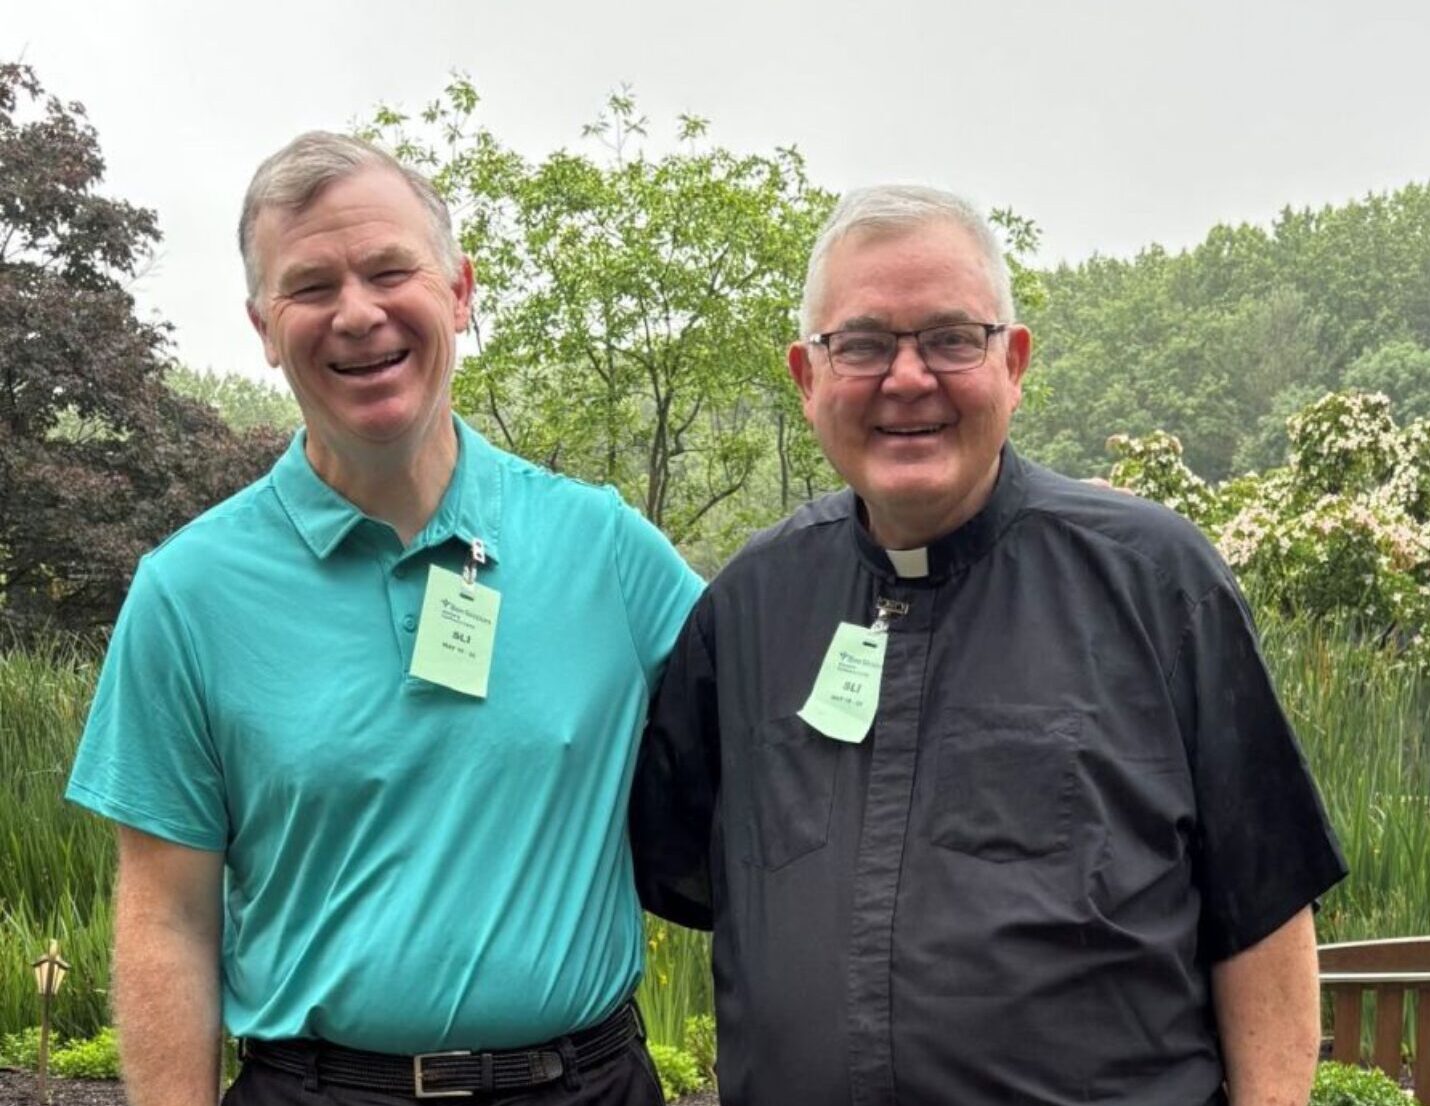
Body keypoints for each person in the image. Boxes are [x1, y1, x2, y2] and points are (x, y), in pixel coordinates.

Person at [632, 184, 1348, 1106]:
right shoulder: (747, 610)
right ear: (807, 379)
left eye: (949, 338)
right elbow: (679, 863)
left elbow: (1265, 906)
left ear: (1012, 362)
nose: (906, 378)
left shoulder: (1155, 582)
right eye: (861, 343)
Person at [66, 132, 700, 1106]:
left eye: (389, 270)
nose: (357, 313)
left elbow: (781, 723)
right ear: (264, 326)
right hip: (319, 1086)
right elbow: (168, 917)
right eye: (310, 285)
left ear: (458, 290)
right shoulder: (187, 594)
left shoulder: (602, 547)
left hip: (584, 1081)